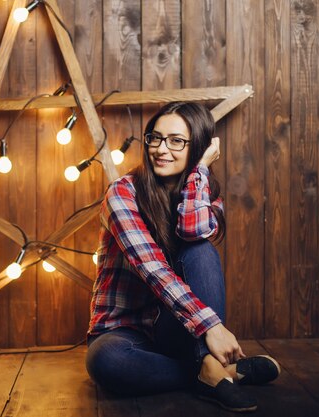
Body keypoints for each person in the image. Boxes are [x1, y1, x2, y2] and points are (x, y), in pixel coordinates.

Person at [86, 102, 280, 412]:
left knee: (200, 249)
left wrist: (199, 169)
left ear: (199, 147)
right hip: (125, 331)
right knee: (106, 361)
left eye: (176, 141)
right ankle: (214, 372)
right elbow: (152, 269)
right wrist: (210, 327)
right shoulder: (122, 192)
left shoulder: (205, 196)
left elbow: (193, 232)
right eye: (155, 138)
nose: (161, 149)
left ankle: (205, 367)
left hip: (178, 329)